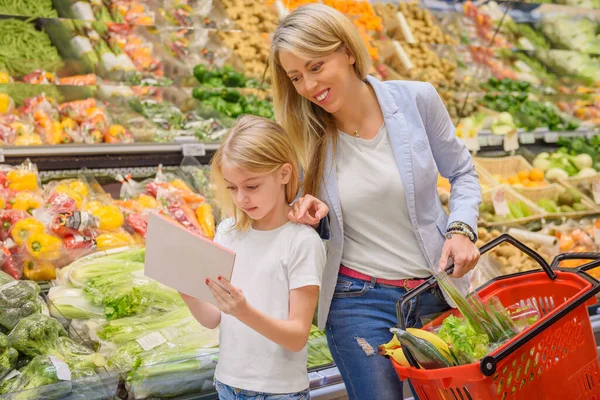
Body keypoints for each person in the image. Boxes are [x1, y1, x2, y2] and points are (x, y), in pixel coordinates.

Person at [269, 4, 482, 400]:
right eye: (296, 77)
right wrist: (305, 213)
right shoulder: (302, 133)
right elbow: (291, 208)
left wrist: (461, 229)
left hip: (435, 291)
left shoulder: (417, 101)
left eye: (316, 67)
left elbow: (463, 175)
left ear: (348, 51)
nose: (309, 87)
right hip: (356, 303)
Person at [180, 115, 326, 400]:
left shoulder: (302, 242)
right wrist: (189, 293)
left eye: (252, 186)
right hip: (227, 383)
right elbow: (214, 320)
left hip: (278, 392)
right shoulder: (227, 232)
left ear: (284, 174)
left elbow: (297, 337)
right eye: (232, 187)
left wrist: (243, 310)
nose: (241, 199)